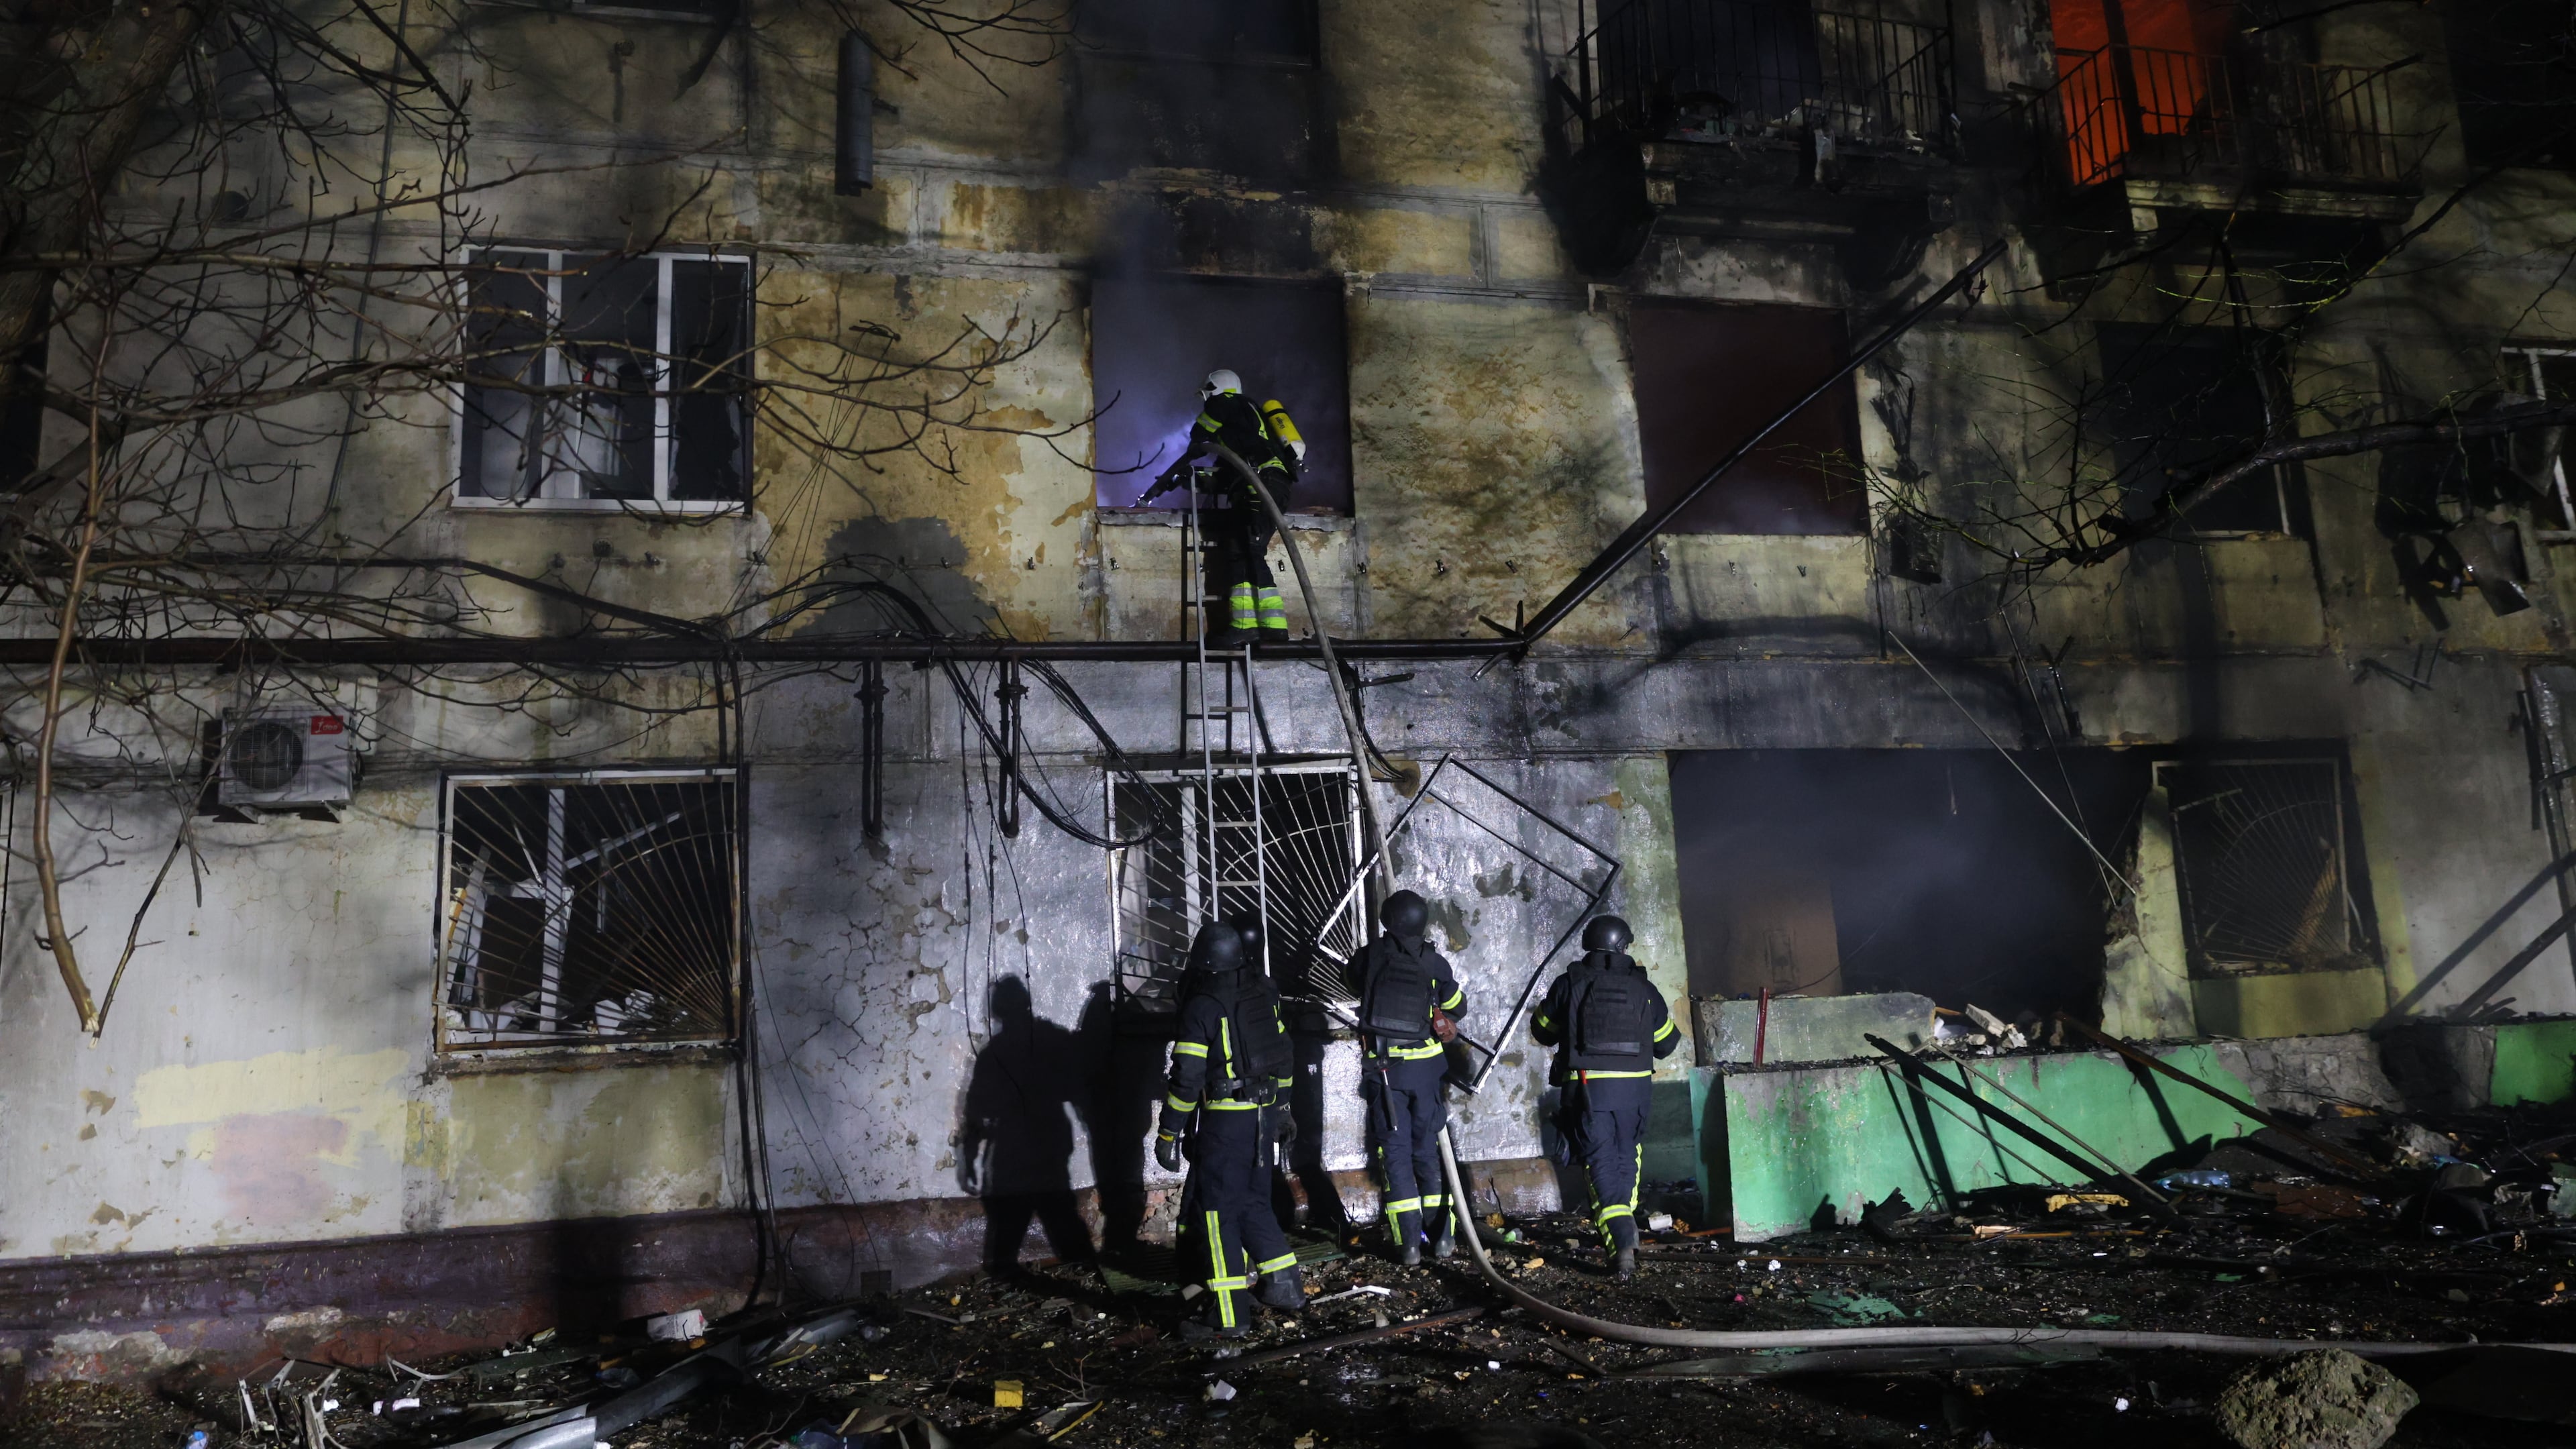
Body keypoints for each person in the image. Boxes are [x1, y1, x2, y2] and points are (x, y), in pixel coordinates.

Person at [1154, 920, 1303, 1336]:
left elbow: (1186, 1078)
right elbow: (1285, 1053)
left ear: (1201, 961)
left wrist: (1169, 1133)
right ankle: (1285, 1286)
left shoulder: (1203, 1005)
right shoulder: (1262, 993)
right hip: (1265, 1113)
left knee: (1217, 1213)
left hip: (1226, 1120)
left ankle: (1227, 1315)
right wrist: (1284, 1108)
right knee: (1254, 1200)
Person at [1530, 914, 1680, 1281]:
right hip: (1635, 1091)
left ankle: (1621, 1234)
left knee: (1600, 1163)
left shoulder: (1570, 983)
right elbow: (1667, 1043)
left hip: (1588, 1090)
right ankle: (1624, 1228)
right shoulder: (1645, 990)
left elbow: (1542, 1031)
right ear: (1621, 946)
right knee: (1627, 1154)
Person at [1138, 369, 1304, 645]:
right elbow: (1225, 476)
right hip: (1264, 483)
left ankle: (1260, 628)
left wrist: (1197, 443)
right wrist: (1185, 477)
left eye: (1207, 396)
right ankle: (1258, 627)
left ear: (1215, 390)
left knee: (1248, 551)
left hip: (1259, 484)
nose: (1205, 403)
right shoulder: (1243, 428)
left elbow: (1201, 431)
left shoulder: (1227, 402)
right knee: (1245, 551)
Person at [1348, 889, 1468, 1265]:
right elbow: (1457, 1006)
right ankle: (1443, 1237)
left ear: (1386, 920)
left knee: (1395, 1156)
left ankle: (1409, 1246)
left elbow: (1355, 986)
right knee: (1427, 1152)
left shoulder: (1368, 958)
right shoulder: (1433, 962)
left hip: (1385, 1073)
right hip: (1425, 1072)